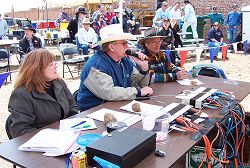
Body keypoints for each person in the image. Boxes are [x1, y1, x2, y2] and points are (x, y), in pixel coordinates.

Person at [77, 24, 153, 111]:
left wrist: (143, 69)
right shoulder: (96, 65)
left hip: (117, 107)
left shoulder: (124, 60)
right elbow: (109, 93)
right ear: (111, 47)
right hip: (93, 113)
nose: (127, 47)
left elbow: (139, 84)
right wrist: (138, 92)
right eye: (124, 43)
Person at [8, 49, 78, 138]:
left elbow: (73, 107)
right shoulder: (21, 94)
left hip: (66, 136)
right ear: (37, 70)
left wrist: (73, 127)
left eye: (55, 62)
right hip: (40, 144)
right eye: (50, 64)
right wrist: (55, 135)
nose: (56, 66)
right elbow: (20, 131)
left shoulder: (58, 82)